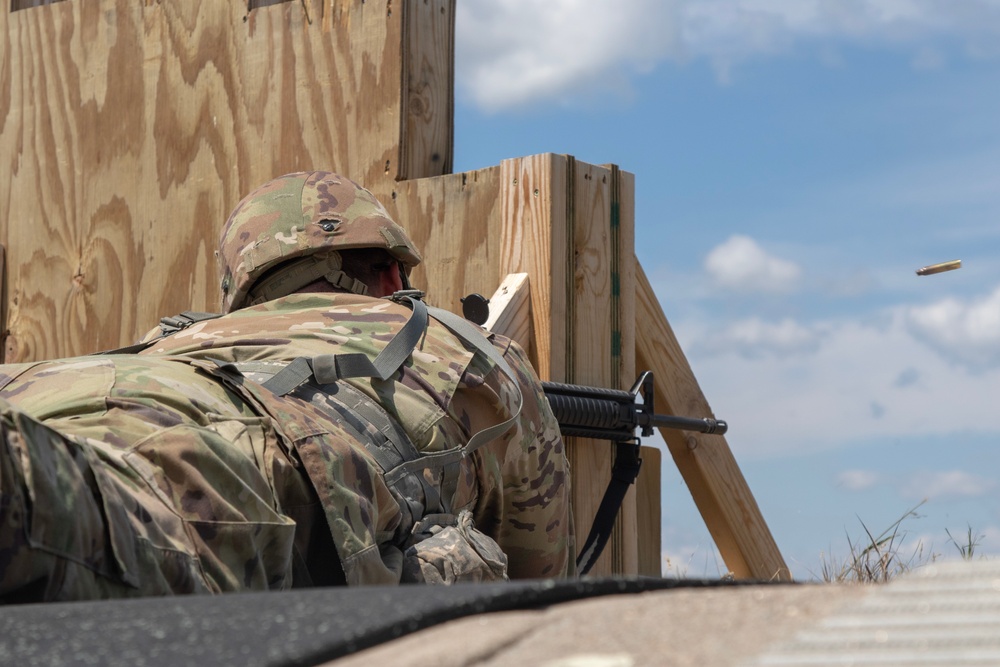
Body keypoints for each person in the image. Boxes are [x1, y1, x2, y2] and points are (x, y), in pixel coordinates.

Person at [0, 171, 574, 603]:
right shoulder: (460, 347)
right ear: (393, 276)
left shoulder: (173, 340)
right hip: (206, 469)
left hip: (40, 397)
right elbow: (540, 591)